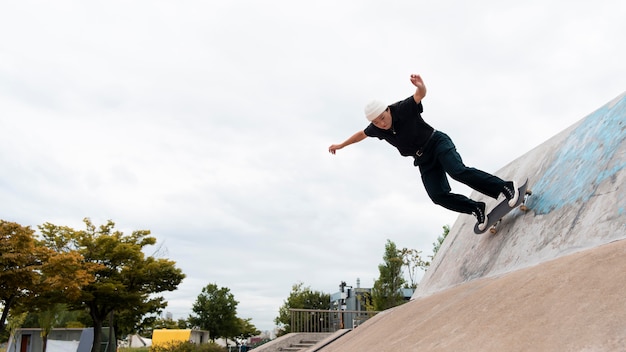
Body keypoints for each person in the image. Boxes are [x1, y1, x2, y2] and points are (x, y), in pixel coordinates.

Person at [328, 74, 519, 231]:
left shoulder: (402, 108)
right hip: (423, 159)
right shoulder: (377, 129)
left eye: (383, 118)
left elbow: (420, 95)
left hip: (437, 143)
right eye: (376, 122)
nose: (382, 124)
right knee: (437, 196)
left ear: (388, 110)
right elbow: (361, 134)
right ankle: (476, 208)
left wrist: (420, 86)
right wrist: (341, 145)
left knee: (457, 171)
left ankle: (505, 187)